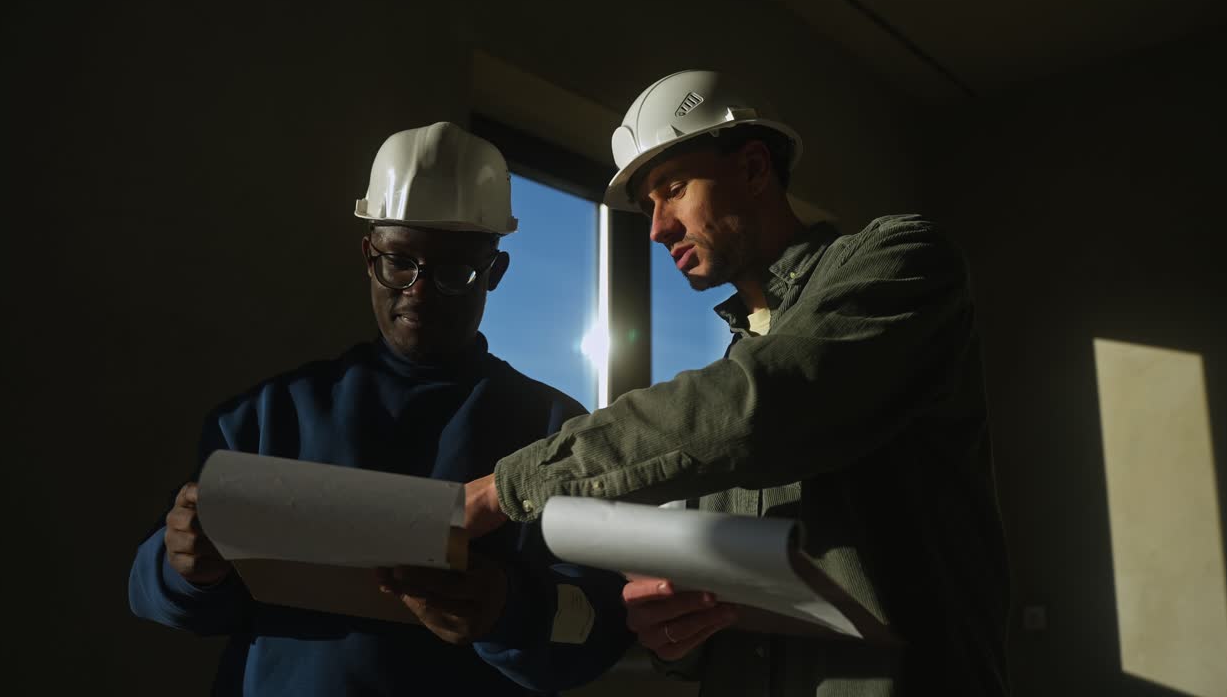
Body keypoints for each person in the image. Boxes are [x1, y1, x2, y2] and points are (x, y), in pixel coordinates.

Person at [464, 70, 1011, 695]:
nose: (657, 228)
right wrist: (674, 636)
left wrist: (504, 488)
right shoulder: (709, 419)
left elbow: (764, 403)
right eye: (647, 207)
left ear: (754, 168)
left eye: (672, 190)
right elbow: (713, 623)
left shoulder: (905, 263)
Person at [128, 122, 632, 696]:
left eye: (453, 271)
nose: (418, 291)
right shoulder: (269, 416)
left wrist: (511, 610)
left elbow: (601, 625)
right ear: (369, 254)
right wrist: (181, 567)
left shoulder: (556, 434)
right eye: (400, 262)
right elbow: (165, 596)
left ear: (495, 272)